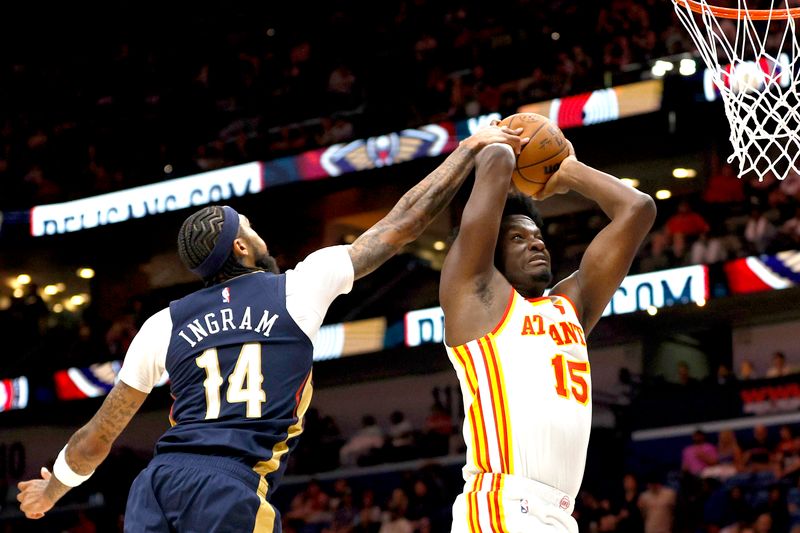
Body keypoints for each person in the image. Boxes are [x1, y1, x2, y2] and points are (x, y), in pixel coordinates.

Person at [16, 124, 527, 531]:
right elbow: (402, 224)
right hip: (228, 487)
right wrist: (468, 150)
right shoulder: (298, 288)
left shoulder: (162, 324)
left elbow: (97, 437)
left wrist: (51, 492)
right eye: (251, 229)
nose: (260, 235)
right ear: (241, 247)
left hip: (156, 485)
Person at [439, 136, 656, 532]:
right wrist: (500, 144)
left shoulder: (568, 307)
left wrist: (568, 171)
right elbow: (492, 173)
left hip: (558, 513)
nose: (536, 243)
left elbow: (637, 209)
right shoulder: (476, 303)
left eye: (538, 237)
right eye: (518, 238)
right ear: (491, 254)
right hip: (501, 506)